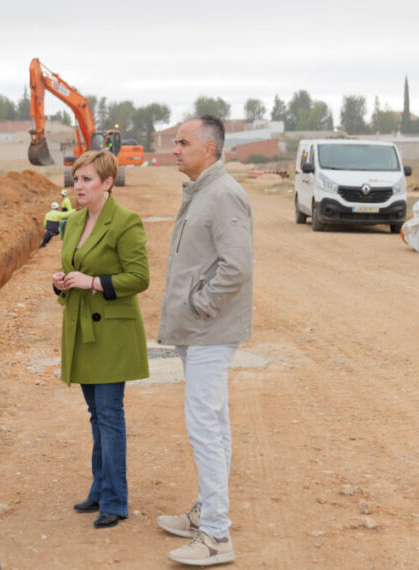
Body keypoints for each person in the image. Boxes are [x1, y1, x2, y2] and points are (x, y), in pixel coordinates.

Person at [155, 115, 253, 567]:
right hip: (198, 331)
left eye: (183, 142)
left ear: (209, 149)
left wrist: (199, 306)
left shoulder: (224, 194)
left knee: (204, 429)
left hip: (210, 331)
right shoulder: (201, 191)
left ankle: (216, 535)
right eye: (175, 142)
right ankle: (205, 514)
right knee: (216, 424)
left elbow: (235, 266)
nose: (175, 148)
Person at [51, 149, 149, 529]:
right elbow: (69, 270)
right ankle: (99, 488)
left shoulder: (126, 222)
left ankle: (115, 499)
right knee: (96, 416)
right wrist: (60, 282)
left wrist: (93, 283)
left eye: (87, 179)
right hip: (82, 332)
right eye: (76, 179)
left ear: (107, 183)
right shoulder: (73, 222)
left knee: (109, 416)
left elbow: (139, 278)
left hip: (112, 334)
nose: (79, 186)